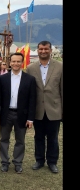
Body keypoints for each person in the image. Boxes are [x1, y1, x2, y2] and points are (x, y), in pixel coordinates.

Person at [26, 40, 63, 174]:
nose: (43, 51)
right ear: (37, 50)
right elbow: (29, 91)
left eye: (46, 49)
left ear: (50, 50)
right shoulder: (31, 68)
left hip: (54, 109)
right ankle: (39, 160)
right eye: (41, 49)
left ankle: (52, 162)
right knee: (39, 137)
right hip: (38, 110)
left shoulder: (60, 67)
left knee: (53, 138)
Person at [0, 52, 37, 173]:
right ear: (10, 62)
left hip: (22, 115)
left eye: (18, 61)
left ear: (22, 62)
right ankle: (4, 162)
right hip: (6, 114)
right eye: (13, 61)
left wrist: (30, 118)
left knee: (20, 140)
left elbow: (32, 100)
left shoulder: (29, 79)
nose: (15, 63)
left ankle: (18, 163)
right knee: (4, 139)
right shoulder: (2, 79)